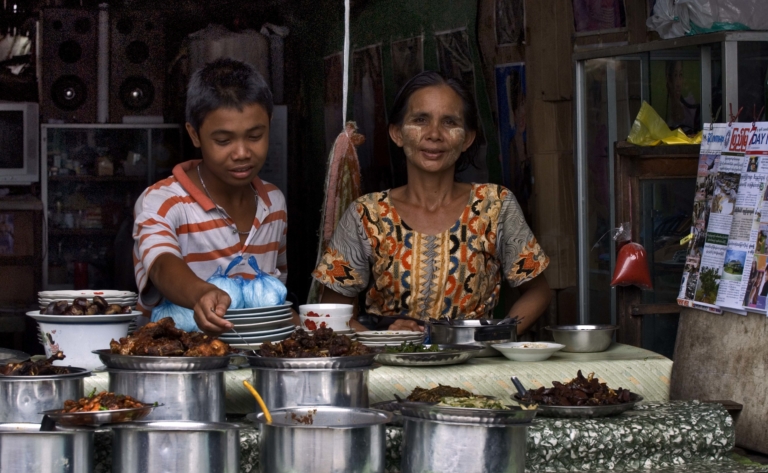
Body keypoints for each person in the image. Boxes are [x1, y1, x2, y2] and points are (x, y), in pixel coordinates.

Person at [312, 71, 551, 333]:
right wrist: (382, 341)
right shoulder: (367, 214)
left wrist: (492, 337)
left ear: (467, 138)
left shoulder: (495, 206)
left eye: (449, 122)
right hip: (389, 358)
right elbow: (330, 313)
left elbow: (538, 291)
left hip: (477, 357)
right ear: (397, 133)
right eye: (420, 120)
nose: (434, 134)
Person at [133, 58, 291, 334]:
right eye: (223, 141)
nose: (241, 153)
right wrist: (201, 293)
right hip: (175, 353)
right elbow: (160, 266)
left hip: (253, 355)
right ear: (195, 135)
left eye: (255, 136)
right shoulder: (161, 201)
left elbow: (274, 291)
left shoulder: (273, 202)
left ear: (269, 124)